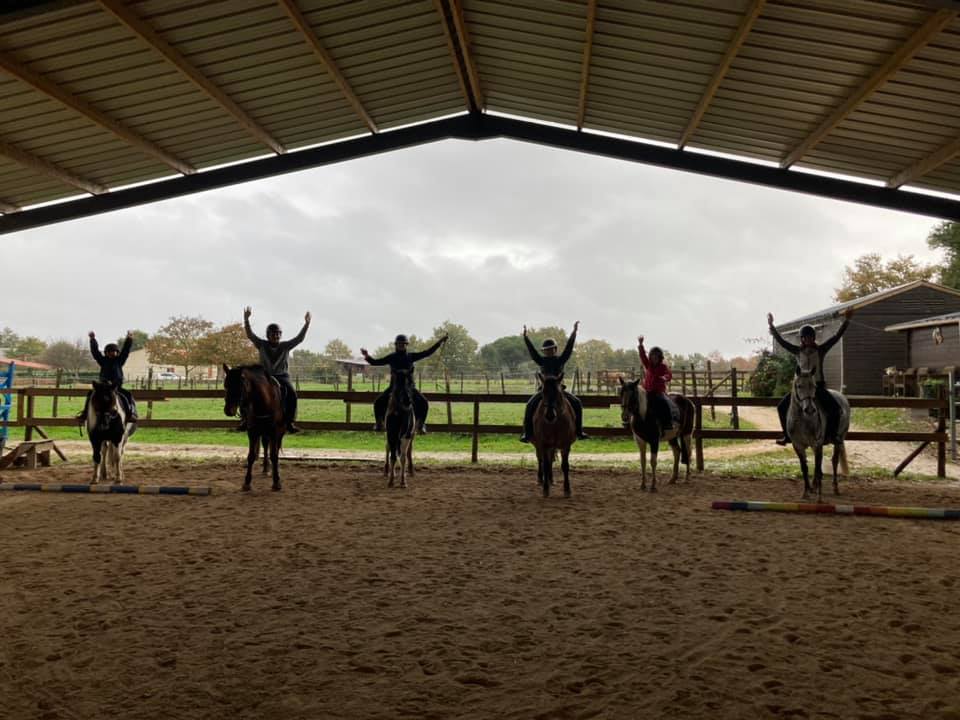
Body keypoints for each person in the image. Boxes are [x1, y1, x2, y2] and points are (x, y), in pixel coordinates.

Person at [768, 310, 851, 446]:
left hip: (817, 386)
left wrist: (846, 321)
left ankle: (833, 435)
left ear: (813, 337)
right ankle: (787, 435)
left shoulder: (821, 349)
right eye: (805, 337)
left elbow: (836, 337)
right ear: (802, 339)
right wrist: (771, 326)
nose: (808, 339)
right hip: (800, 389)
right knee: (781, 407)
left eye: (810, 337)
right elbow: (781, 341)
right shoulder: (797, 351)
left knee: (835, 408)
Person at [361, 334, 448, 433]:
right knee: (378, 402)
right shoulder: (392, 357)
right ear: (396, 345)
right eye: (399, 344)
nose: (401, 345)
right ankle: (379, 424)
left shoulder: (411, 356)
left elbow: (427, 353)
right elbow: (376, 362)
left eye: (403, 344)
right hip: (394, 387)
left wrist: (440, 342)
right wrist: (366, 356)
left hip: (409, 388)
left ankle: (421, 425)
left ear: (406, 345)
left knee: (424, 403)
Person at [243, 306, 310, 433]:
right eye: (273, 333)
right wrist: (246, 320)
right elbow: (250, 335)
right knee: (247, 392)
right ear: (268, 335)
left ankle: (290, 422)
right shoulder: (261, 344)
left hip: (282, 376)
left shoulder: (286, 346)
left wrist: (306, 324)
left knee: (292, 394)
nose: (276, 336)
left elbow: (299, 339)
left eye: (278, 333)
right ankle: (246, 420)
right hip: (265, 376)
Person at [519, 321, 588, 443]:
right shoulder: (541, 361)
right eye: (546, 350)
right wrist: (526, 338)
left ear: (555, 349)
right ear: (543, 351)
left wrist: (574, 333)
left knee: (577, 403)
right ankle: (527, 433)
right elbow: (532, 352)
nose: (548, 351)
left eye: (551, 349)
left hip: (558, 390)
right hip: (545, 391)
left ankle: (578, 431)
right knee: (529, 405)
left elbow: (568, 349)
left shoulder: (560, 360)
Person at [77, 331, 137, 423]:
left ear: (117, 352)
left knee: (128, 395)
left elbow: (126, 350)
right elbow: (95, 352)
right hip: (103, 387)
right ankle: (85, 414)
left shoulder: (120, 360)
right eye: (109, 352)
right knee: (90, 394)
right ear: (106, 353)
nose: (112, 353)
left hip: (116, 386)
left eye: (114, 351)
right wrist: (92, 340)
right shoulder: (102, 360)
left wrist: (129, 339)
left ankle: (130, 414)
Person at [637, 336, 679, 430]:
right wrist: (640, 345)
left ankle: (668, 422)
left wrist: (664, 378)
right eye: (652, 356)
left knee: (664, 403)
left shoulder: (663, 366)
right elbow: (642, 356)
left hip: (658, 392)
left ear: (660, 357)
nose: (654, 357)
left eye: (656, 356)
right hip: (647, 390)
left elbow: (669, 375)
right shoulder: (648, 365)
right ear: (650, 357)